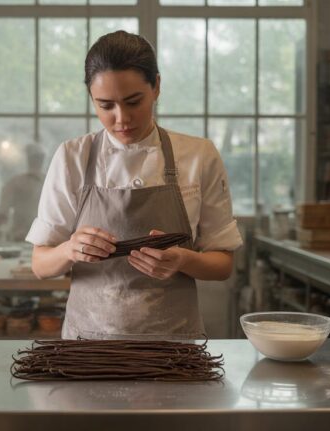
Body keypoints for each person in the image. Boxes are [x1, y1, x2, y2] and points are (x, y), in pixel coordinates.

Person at [26, 31, 242, 340]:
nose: (121, 118)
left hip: (174, 346)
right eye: (105, 105)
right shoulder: (73, 157)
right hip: (88, 345)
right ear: (91, 97)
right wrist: (70, 249)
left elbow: (222, 265)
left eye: (133, 102)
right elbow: (40, 265)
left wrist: (184, 259)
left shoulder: (198, 155)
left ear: (156, 86)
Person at [0, 144, 45, 241]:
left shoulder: (15, 183)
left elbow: (3, 214)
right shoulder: (51, 181)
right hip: (43, 237)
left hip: (22, 236)